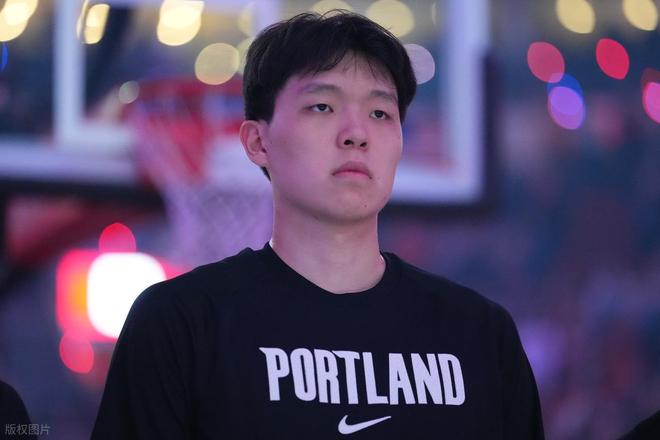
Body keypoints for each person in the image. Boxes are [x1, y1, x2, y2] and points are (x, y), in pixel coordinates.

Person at [92, 10, 544, 439]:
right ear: (257, 141)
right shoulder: (179, 324)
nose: (356, 133)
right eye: (323, 106)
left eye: (380, 113)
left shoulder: (480, 336)